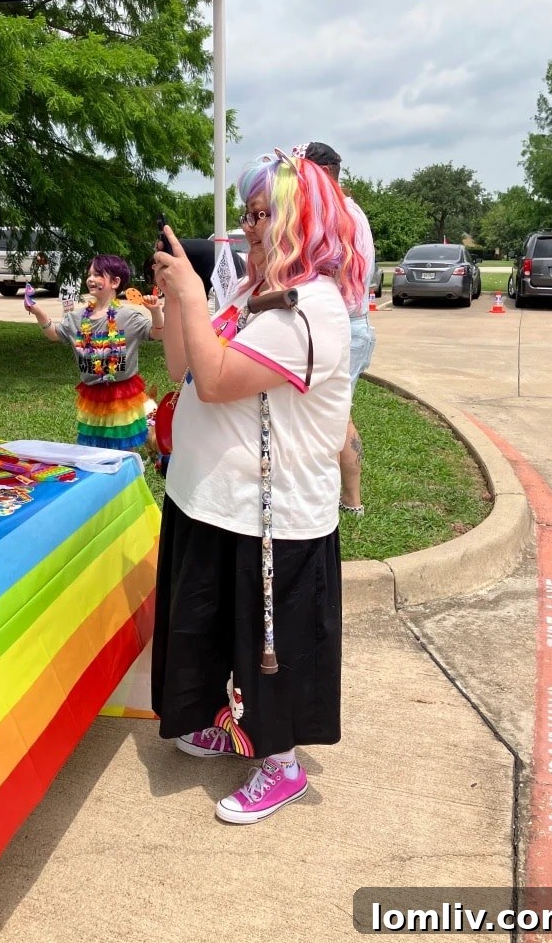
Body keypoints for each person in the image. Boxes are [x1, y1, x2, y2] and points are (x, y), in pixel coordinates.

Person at [150, 150, 367, 824]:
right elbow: (188, 367)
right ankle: (225, 724)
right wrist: (177, 306)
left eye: (264, 213)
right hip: (214, 500)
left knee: (270, 643)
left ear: (307, 220)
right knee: (213, 628)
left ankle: (281, 765)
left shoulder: (311, 310)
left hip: (273, 519)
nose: (249, 227)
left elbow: (216, 384)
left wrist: (190, 295)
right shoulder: (255, 290)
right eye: (246, 213)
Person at [25, 253, 164, 450]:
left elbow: (158, 333)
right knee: (94, 450)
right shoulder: (76, 318)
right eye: (89, 274)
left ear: (115, 282)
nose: (91, 278)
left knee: (121, 450)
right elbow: (55, 334)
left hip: (121, 395)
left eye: (98, 274)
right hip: (92, 396)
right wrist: (38, 311)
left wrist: (156, 312)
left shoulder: (128, 317)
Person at [303, 141, 376, 517]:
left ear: (324, 173)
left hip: (345, 327)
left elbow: (336, 281)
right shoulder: (349, 210)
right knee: (333, 412)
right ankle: (346, 500)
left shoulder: (338, 215)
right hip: (351, 325)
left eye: (304, 175)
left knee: (334, 415)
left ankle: (350, 501)